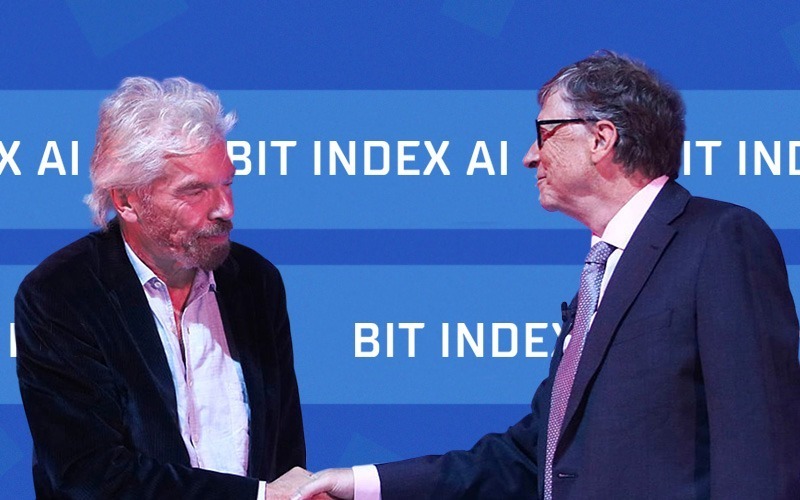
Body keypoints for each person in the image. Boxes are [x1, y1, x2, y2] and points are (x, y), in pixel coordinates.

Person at [294, 51, 800, 499]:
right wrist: (359, 483)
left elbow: (760, 444)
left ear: (601, 138)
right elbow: (532, 455)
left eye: (544, 133)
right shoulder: (603, 271)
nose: (530, 156)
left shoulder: (719, 238)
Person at [15, 77, 308, 499]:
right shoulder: (60, 295)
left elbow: (285, 457)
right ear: (126, 201)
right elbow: (90, 476)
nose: (225, 209)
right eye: (195, 191)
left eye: (227, 183)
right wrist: (257, 498)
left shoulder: (256, 281)